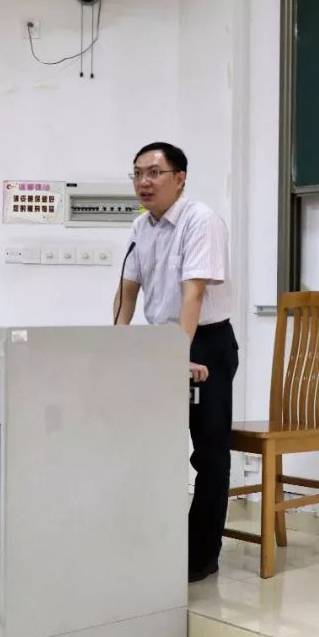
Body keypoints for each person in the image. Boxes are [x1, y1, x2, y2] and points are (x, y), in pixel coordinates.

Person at [113, 141, 238, 583]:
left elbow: (194, 295)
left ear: (180, 179)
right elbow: (127, 293)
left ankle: (200, 556)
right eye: (137, 173)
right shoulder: (140, 226)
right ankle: (157, 543)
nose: (143, 182)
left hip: (204, 345)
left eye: (154, 173)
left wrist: (177, 356)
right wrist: (115, 345)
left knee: (208, 454)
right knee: (154, 448)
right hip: (163, 345)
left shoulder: (200, 221)